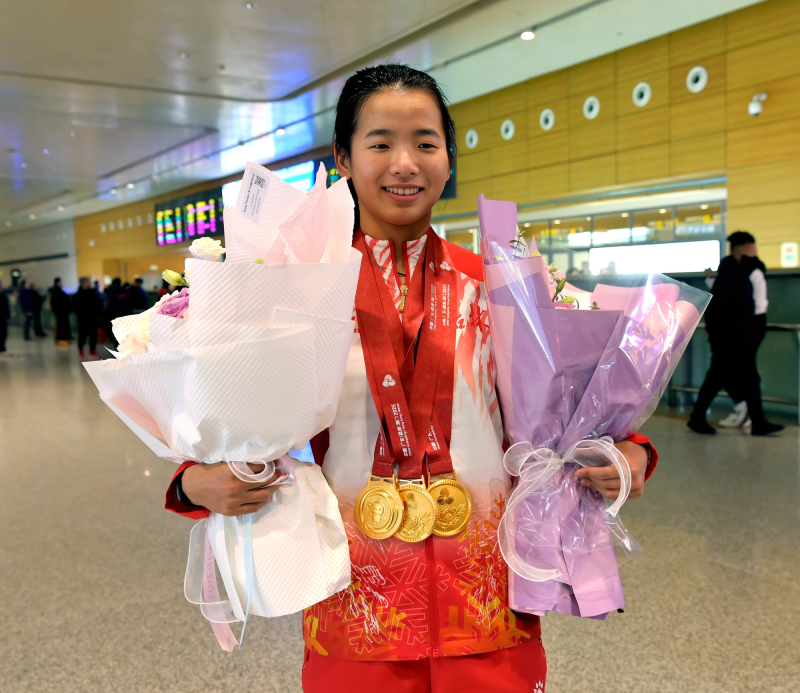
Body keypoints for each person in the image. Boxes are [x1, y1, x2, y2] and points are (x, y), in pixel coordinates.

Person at [163, 65, 658, 693]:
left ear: (449, 159)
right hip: (352, 608)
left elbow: (584, 413)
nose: (405, 163)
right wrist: (196, 481)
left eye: (426, 142)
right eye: (379, 144)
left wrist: (628, 455)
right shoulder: (292, 289)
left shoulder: (508, 286)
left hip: (490, 607)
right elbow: (219, 415)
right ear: (344, 157)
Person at [688, 231, 783, 436]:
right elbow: (725, 307)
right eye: (752, 251)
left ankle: (757, 421)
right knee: (723, 377)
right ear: (745, 251)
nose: (755, 255)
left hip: (734, 337)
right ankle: (699, 418)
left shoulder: (731, 273)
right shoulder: (736, 274)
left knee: (739, 377)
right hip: (735, 337)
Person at [716, 246, 768, 428]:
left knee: (737, 372)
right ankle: (752, 416)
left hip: (744, 328)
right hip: (744, 328)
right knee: (740, 372)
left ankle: (750, 414)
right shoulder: (744, 272)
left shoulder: (742, 272)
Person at [73, 277, 102, 357]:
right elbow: (76, 308)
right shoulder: (78, 295)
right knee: (83, 335)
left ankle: (92, 350)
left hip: (93, 318)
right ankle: (80, 349)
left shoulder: (93, 293)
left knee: (93, 335)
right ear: (83, 283)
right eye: (87, 282)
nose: (89, 283)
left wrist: (98, 314)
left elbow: (98, 304)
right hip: (83, 319)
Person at [50, 278, 73, 345]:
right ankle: (61, 338)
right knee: (61, 325)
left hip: (62, 311)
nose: (62, 284)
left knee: (62, 325)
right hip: (60, 312)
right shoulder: (56, 292)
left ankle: (64, 337)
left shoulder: (58, 291)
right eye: (61, 282)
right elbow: (56, 303)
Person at [0, 281, 9, 353]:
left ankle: (2, 346)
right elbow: (5, 307)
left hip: (3, 316)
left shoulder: (3, 294)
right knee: (2, 332)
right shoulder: (2, 295)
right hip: (2, 317)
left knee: (3, 333)